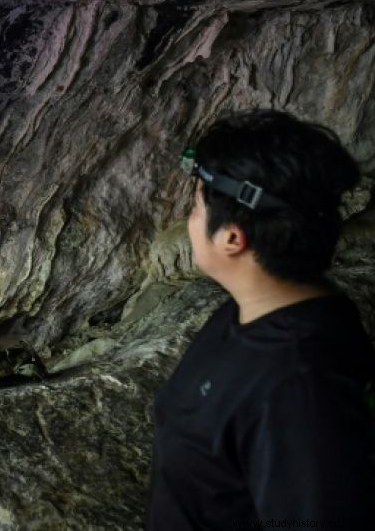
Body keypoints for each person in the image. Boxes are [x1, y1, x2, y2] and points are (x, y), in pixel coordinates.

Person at [147, 109, 375, 529]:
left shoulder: (299, 387)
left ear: (233, 237)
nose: (189, 221)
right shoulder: (247, 310)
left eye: (196, 207)